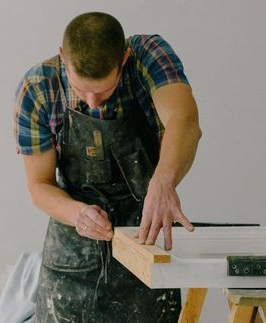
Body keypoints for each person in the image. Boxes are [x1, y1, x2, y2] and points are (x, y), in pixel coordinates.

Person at [14, 11, 201, 323]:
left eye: (103, 90)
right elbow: (39, 185)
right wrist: (77, 213)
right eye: (81, 89)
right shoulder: (37, 89)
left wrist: (163, 182)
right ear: (63, 58)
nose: (94, 101)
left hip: (144, 237)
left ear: (124, 58)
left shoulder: (147, 57)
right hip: (71, 249)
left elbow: (185, 122)